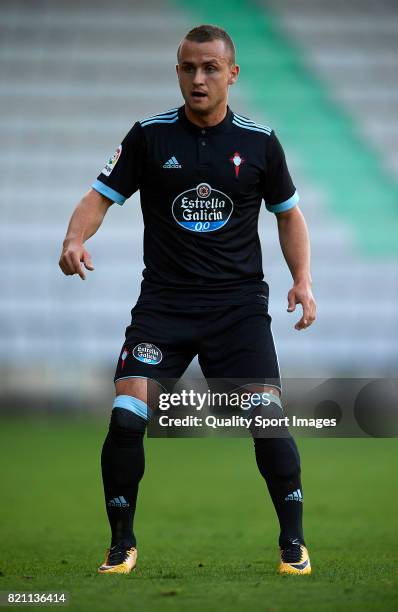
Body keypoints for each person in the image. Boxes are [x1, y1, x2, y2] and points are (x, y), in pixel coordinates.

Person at [59, 24, 317, 576]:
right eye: (187, 67)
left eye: (209, 68)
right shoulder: (149, 137)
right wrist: (75, 237)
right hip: (165, 307)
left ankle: (292, 543)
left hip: (238, 308)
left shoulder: (259, 143)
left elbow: (289, 214)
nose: (197, 79)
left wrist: (302, 280)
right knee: (127, 413)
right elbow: (99, 196)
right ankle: (121, 543)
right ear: (178, 70)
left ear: (232, 74)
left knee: (267, 417)